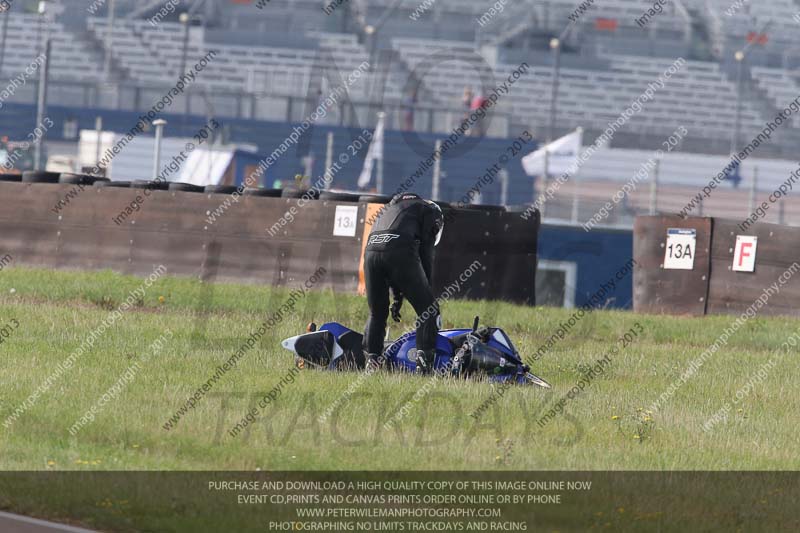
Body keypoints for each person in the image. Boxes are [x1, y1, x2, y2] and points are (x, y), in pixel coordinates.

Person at [363, 193, 444, 373]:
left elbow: (386, 250)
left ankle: (372, 363)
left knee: (377, 312)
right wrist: (427, 290)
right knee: (428, 310)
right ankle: (424, 367)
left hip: (370, 253)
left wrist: (398, 299)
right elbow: (425, 254)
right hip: (399, 250)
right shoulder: (430, 210)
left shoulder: (389, 210)